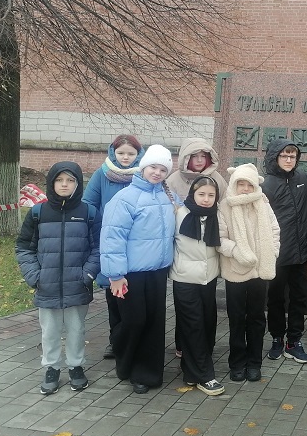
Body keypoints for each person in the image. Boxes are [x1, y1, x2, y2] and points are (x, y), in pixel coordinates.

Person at [16, 161, 101, 395]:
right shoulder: (38, 213)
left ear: (78, 184)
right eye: (60, 180)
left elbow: (98, 248)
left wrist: (88, 274)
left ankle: (75, 366)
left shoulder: (88, 213)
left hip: (77, 284)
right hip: (47, 285)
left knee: (76, 329)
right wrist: (34, 275)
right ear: (52, 183)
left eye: (70, 180)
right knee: (50, 331)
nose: (65, 184)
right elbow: (24, 248)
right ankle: (51, 368)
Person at [100, 144, 177, 394]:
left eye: (162, 169)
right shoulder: (124, 198)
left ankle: (146, 373)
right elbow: (112, 237)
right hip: (130, 274)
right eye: (153, 167)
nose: (157, 172)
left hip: (157, 272)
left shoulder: (169, 197)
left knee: (154, 324)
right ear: (143, 167)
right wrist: (115, 275)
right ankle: (123, 354)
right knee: (134, 321)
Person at [83, 134, 144, 360]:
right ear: (113, 153)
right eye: (121, 153)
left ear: (139, 154)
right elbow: (89, 203)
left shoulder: (146, 174)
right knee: (113, 296)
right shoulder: (103, 174)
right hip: (111, 240)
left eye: (131, 153)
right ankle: (115, 340)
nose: (126, 157)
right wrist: (103, 225)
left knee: (134, 294)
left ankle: (133, 341)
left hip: (137, 244)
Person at [218, 163, 280, 382]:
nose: (244, 188)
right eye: (240, 184)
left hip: (259, 270)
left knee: (256, 318)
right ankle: (236, 363)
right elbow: (219, 238)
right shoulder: (225, 206)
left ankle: (254, 363)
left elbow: (274, 230)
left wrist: (272, 253)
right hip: (235, 270)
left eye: (248, 184)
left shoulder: (262, 204)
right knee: (236, 318)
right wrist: (236, 251)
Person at [166, 137, 227, 358]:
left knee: (206, 309)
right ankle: (183, 345)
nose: (200, 160)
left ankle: (205, 347)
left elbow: (224, 207)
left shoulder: (217, 179)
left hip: (207, 254)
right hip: (185, 254)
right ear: (186, 158)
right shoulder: (173, 180)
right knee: (185, 310)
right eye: (195, 156)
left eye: (204, 156)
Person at [169, 176, 226, 396]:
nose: (206, 199)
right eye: (201, 194)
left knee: (208, 323)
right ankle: (204, 375)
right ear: (192, 194)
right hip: (184, 278)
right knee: (193, 326)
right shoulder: (178, 214)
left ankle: (191, 371)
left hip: (208, 278)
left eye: (211, 195)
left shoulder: (218, 216)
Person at [262, 138, 307, 364]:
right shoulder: (266, 183)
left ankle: (294, 341)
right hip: (277, 253)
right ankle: (276, 338)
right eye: (285, 156)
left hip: (300, 252)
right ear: (275, 157)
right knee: (275, 299)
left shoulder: (302, 178)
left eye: (293, 156)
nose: (289, 160)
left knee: (299, 298)